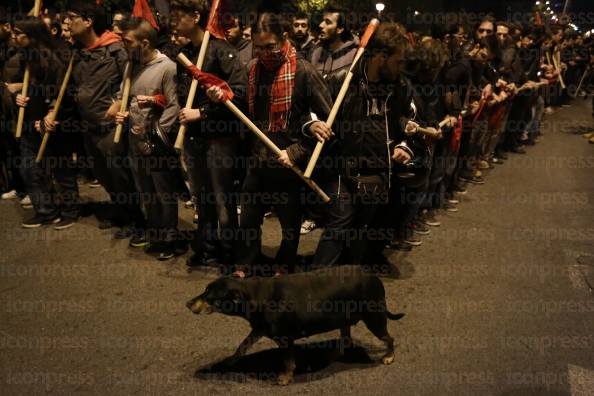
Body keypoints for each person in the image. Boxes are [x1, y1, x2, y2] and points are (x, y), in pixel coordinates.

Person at [232, 11, 332, 277]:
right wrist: (222, 93)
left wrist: (297, 151)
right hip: (258, 160)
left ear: (284, 38)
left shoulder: (304, 73)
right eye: (259, 47)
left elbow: (330, 123)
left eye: (270, 47)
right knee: (249, 219)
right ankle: (247, 261)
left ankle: (285, 266)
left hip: (289, 165)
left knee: (290, 225)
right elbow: (242, 105)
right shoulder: (253, 69)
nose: (265, 54)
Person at [170, 0, 247, 270]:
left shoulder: (221, 50)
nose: (174, 20)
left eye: (179, 15)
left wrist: (203, 112)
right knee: (201, 198)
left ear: (196, 16)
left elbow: (240, 94)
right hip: (193, 137)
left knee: (223, 197)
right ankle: (207, 247)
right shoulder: (185, 52)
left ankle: (230, 253)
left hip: (219, 137)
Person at [66, 0, 145, 241]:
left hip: (112, 127)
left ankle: (137, 220)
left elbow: (133, 81)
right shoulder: (78, 54)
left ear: (88, 22)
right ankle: (121, 211)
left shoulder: (116, 50)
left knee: (121, 176)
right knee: (103, 176)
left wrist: (120, 103)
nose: (67, 22)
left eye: (72, 17)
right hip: (89, 127)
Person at [112, 18, 182, 260]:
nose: (123, 45)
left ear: (144, 42)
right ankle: (155, 231)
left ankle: (171, 237)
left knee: (164, 192)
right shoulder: (131, 66)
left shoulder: (167, 68)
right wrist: (120, 111)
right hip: (134, 142)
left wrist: (157, 139)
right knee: (145, 191)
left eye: (127, 41)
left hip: (157, 144)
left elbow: (173, 107)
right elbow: (123, 97)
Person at [12, 16, 80, 229]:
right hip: (30, 121)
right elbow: (27, 86)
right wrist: (20, 96)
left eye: (18, 33)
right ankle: (45, 212)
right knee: (30, 169)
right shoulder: (25, 57)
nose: (14, 37)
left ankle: (70, 210)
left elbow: (64, 93)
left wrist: (51, 114)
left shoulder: (56, 58)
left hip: (54, 122)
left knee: (62, 169)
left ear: (31, 36)